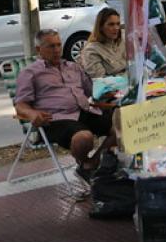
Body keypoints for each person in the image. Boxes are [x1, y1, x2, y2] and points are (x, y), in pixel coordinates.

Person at [15, 29, 115, 182]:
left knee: (123, 125)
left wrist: (110, 93)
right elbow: (20, 105)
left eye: (58, 45)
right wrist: (32, 114)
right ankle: (84, 162)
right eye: (51, 46)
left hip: (83, 111)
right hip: (56, 119)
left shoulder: (73, 67)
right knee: (84, 138)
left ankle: (91, 163)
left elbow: (92, 93)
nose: (56, 50)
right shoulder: (30, 73)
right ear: (38, 49)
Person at [80, 7, 127, 78]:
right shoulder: (91, 50)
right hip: (112, 87)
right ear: (101, 27)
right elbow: (101, 81)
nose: (116, 28)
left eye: (118, 24)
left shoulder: (122, 40)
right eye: (111, 24)